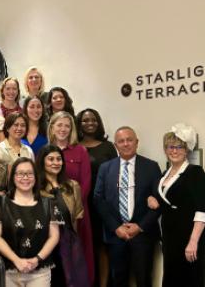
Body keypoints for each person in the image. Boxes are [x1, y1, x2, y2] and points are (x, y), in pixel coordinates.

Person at [94, 126, 161, 287]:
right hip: (116, 235)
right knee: (118, 279)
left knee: (144, 279)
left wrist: (140, 226)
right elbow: (98, 199)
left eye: (129, 140)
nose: (126, 144)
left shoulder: (151, 167)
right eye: (121, 141)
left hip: (143, 235)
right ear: (116, 145)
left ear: (136, 142)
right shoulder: (105, 168)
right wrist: (116, 227)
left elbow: (159, 202)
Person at [0, 157, 61, 287]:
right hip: (8, 271)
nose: (25, 177)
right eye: (20, 173)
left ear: (36, 177)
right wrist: (16, 260)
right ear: (13, 177)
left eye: (30, 173)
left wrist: (37, 260)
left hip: (40, 271)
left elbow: (54, 236)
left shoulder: (49, 204)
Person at [150, 124, 205, 287]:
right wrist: (152, 199)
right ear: (165, 149)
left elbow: (202, 209)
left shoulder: (195, 172)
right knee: (172, 277)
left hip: (188, 235)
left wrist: (193, 241)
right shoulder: (164, 174)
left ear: (187, 149)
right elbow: (168, 201)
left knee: (189, 278)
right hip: (169, 237)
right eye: (170, 147)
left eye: (179, 147)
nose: (174, 151)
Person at [48, 111, 94, 283]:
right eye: (59, 125)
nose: (63, 129)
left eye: (67, 125)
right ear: (52, 127)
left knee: (79, 256)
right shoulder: (45, 151)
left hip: (77, 213)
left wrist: (70, 209)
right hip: (51, 214)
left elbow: (86, 183)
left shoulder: (80, 151)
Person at [37, 144, 90, 287]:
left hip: (70, 243)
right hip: (45, 245)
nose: (55, 163)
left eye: (59, 159)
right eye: (51, 159)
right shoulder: (36, 188)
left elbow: (77, 216)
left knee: (74, 281)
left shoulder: (73, 186)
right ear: (42, 161)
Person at [75, 108, 117, 287]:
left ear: (98, 122)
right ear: (79, 124)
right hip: (80, 203)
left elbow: (115, 174)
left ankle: (103, 283)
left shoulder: (107, 147)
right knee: (84, 245)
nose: (89, 123)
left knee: (102, 246)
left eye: (93, 120)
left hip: (102, 204)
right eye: (85, 120)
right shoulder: (75, 147)